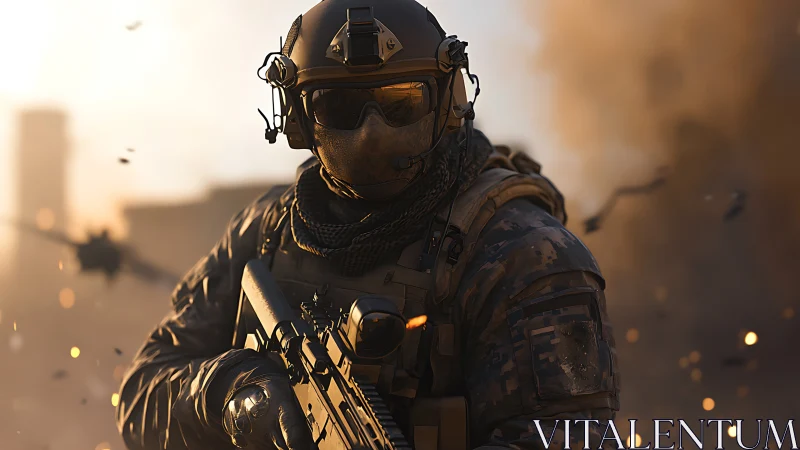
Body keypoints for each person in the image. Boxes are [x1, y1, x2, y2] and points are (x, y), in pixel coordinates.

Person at [115, 1, 621, 449]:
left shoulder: (525, 256)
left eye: (402, 102)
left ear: (447, 102)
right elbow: (141, 396)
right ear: (296, 118)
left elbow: (569, 435)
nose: (372, 133)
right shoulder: (268, 228)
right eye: (340, 106)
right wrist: (227, 397)